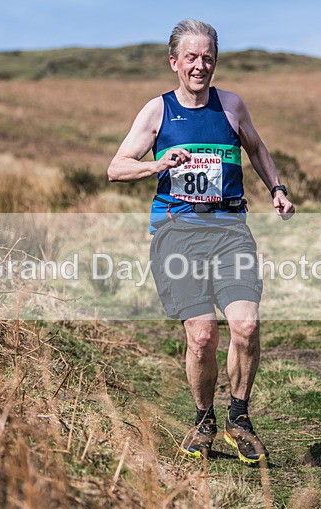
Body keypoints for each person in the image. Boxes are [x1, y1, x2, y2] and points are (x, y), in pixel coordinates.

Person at [108, 19, 294, 464]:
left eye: (207, 57)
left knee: (246, 326)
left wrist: (278, 189)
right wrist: (158, 164)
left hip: (230, 230)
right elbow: (116, 167)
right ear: (174, 62)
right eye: (190, 57)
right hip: (177, 233)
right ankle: (204, 419)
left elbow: (257, 148)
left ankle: (240, 419)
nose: (200, 65)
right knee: (203, 336)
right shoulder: (157, 111)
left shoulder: (231, 106)